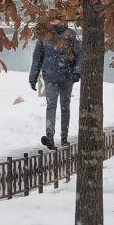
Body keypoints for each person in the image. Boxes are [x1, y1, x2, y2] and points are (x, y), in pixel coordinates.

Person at [29, 14, 83, 150]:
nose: (53, 21)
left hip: (67, 77)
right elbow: (37, 58)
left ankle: (64, 137)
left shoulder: (71, 35)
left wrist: (77, 71)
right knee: (51, 106)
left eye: (56, 18)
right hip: (50, 78)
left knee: (65, 107)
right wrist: (33, 77)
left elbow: (80, 55)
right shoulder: (44, 36)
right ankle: (50, 137)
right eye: (51, 18)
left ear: (62, 19)